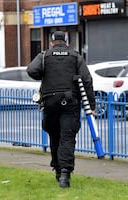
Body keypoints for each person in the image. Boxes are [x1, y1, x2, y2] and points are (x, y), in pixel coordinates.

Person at [27, 31, 95, 188]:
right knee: (67, 137)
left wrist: (42, 75)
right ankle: (65, 173)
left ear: (52, 42)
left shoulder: (44, 56)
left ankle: (57, 169)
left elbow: (31, 70)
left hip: (50, 102)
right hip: (70, 101)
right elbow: (87, 80)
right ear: (66, 41)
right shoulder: (75, 56)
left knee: (54, 136)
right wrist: (91, 106)